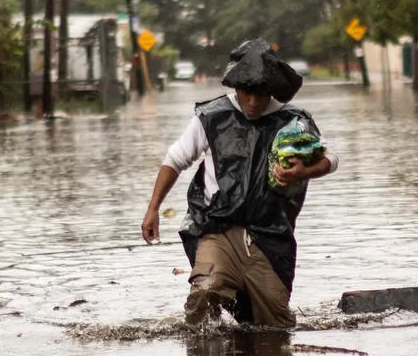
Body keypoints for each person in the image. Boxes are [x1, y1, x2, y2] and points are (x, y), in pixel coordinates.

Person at [141, 39, 336, 327]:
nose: (253, 102)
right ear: (236, 88)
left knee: (274, 325)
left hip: (270, 236)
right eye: (247, 93)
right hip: (217, 229)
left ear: (271, 90)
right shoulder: (212, 117)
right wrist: (153, 208)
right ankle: (201, 351)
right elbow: (175, 159)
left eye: (261, 95)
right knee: (205, 293)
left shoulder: (293, 122)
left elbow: (330, 159)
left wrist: (303, 171)